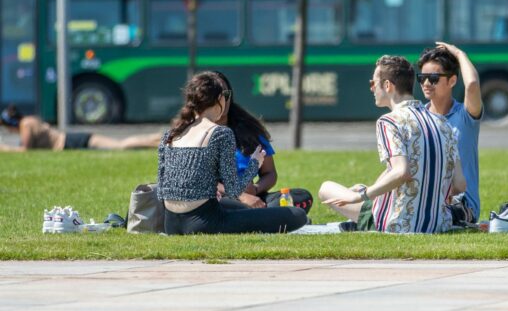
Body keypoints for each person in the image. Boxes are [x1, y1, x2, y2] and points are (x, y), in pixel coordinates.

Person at [318, 55, 466, 234]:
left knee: (326, 188)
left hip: (397, 223)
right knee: (359, 187)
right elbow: (459, 184)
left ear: (387, 86)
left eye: (373, 83)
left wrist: (360, 196)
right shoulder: (442, 123)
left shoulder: (389, 121)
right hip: (437, 223)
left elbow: (401, 171)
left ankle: (362, 213)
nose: (372, 88)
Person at [157, 71, 307, 235]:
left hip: (171, 224)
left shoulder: (172, 134)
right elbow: (234, 189)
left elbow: (162, 188)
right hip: (204, 222)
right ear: (220, 98)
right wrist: (255, 162)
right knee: (297, 215)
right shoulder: (220, 132)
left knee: (242, 209)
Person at [211, 73, 313, 213]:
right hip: (217, 199)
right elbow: (199, 179)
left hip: (253, 199)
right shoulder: (193, 133)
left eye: (226, 94)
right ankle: (265, 217)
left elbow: (269, 173)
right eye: (215, 96)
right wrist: (241, 196)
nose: (222, 101)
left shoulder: (248, 129)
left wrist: (256, 188)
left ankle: (259, 214)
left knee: (301, 197)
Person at [417, 42, 483, 223]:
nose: (426, 83)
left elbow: (472, 85)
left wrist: (459, 53)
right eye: (422, 78)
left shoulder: (465, 116)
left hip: (462, 207)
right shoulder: (418, 117)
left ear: (452, 80)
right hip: (426, 201)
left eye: (433, 78)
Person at [0, 104, 161, 152]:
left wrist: (4, 148)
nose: (9, 131)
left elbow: (25, 150)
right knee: (121, 144)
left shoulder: (25, 124)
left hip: (72, 142)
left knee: (121, 145)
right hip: (73, 139)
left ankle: (159, 140)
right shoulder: (31, 119)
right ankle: (158, 138)